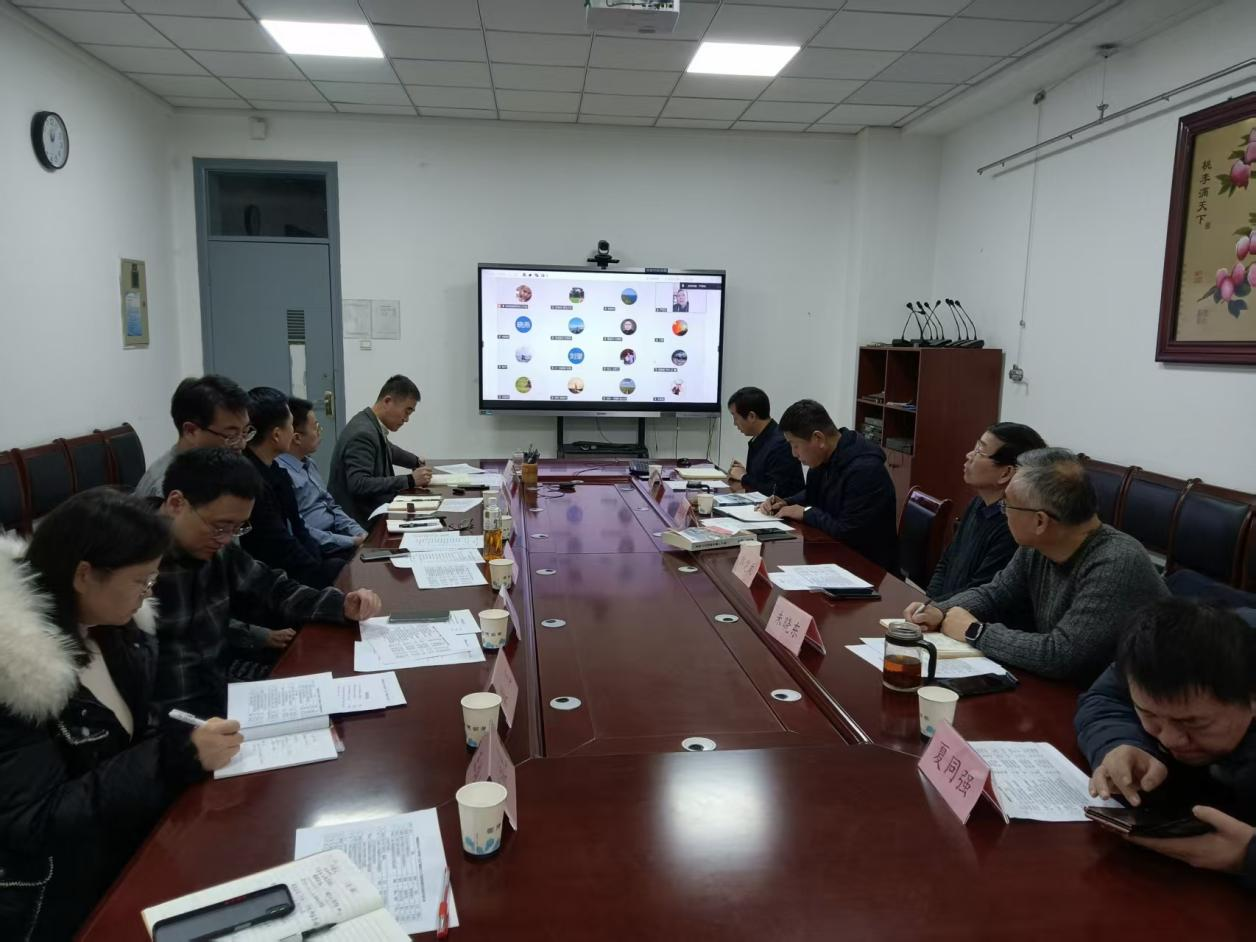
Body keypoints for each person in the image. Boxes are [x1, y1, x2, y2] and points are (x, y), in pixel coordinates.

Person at [0, 489, 242, 940]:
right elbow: (36, 821)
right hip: (62, 895)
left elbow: (132, 730)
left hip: (127, 842)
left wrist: (186, 736)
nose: (148, 594)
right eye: (140, 581)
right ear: (84, 575)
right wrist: (172, 757)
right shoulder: (15, 675)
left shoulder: (113, 629)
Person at [153, 448, 381, 720]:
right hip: (177, 714)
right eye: (220, 526)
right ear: (177, 503)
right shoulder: (133, 565)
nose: (226, 539)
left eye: (237, 528)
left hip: (221, 689)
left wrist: (341, 605)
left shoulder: (216, 549)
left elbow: (274, 588)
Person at [906, 448, 1167, 684]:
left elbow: (1062, 654)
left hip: (1128, 702)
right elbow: (996, 593)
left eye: (1007, 504)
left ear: (1040, 521)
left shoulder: (1116, 562)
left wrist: (975, 631)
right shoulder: (1039, 546)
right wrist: (939, 610)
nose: (1003, 512)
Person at [1076, 599, 1256, 886]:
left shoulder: (1238, 664)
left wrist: (1247, 857)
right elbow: (1107, 699)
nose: (1170, 739)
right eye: (1149, 714)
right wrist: (1121, 743)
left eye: (1194, 723)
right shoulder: (1161, 654)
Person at [758, 399, 898, 573]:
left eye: (795, 445)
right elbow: (815, 492)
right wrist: (786, 502)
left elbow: (848, 533)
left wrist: (806, 513)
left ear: (818, 438)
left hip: (868, 569)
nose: (794, 454)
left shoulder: (865, 471)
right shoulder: (826, 458)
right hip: (832, 556)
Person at [240, 387, 346, 590]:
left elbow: (299, 527)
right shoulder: (251, 481)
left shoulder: (276, 470)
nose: (293, 431)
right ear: (277, 434)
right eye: (290, 425)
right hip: (273, 578)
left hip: (299, 561)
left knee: (337, 568)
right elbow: (278, 545)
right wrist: (318, 577)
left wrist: (317, 565)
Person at [925, 422, 1047, 598]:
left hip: (968, 611)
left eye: (979, 451)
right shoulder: (978, 503)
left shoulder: (1013, 527)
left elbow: (981, 592)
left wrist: (936, 608)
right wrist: (928, 602)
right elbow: (946, 562)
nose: (969, 455)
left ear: (1006, 473)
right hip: (944, 608)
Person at [328, 375, 431, 527]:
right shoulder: (362, 433)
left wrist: (416, 461)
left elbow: (388, 448)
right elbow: (359, 484)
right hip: (359, 523)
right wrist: (410, 480)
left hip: (372, 513)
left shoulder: (368, 422)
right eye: (407, 411)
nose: (406, 419)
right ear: (387, 401)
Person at [135, 375, 252, 498]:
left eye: (245, 432)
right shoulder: (168, 491)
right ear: (191, 431)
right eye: (231, 435)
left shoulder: (211, 468)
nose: (242, 444)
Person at [278, 397, 367, 557]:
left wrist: (358, 532)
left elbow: (331, 506)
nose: (320, 432)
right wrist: (350, 541)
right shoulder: (282, 474)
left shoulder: (309, 464)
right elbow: (299, 529)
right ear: (297, 438)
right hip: (315, 547)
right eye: (316, 427)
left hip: (337, 537)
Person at [726, 386, 804, 499]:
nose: (734, 423)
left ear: (751, 416)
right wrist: (745, 475)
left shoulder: (780, 443)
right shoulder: (761, 438)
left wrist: (743, 477)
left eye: (735, 417)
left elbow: (775, 490)